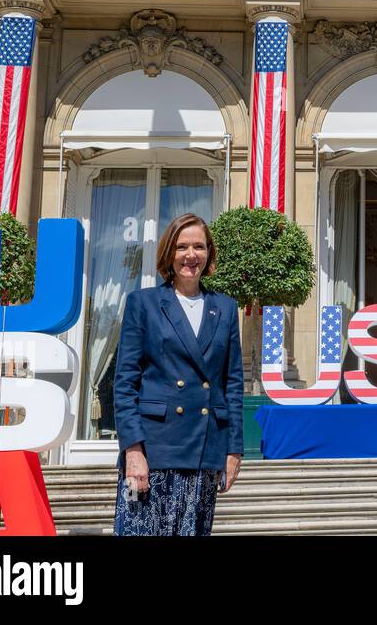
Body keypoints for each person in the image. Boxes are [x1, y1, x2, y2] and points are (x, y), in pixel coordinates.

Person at [113, 213, 244, 536]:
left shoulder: (225, 307)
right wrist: (133, 451)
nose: (191, 255)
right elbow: (125, 382)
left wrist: (233, 451)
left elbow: (233, 382)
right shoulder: (143, 303)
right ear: (168, 253)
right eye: (182, 246)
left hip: (204, 452)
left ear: (209, 253)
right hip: (153, 452)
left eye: (199, 246)